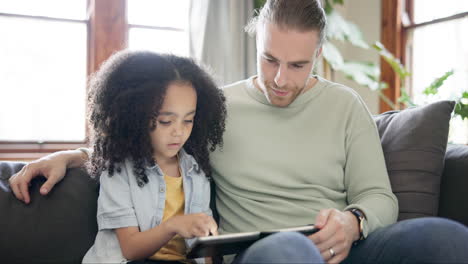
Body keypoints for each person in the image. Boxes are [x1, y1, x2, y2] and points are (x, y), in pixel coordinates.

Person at [9, 0, 468, 263]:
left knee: (446, 238)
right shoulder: (215, 107)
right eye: (270, 59)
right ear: (255, 41)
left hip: (345, 251)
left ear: (320, 55)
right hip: (267, 253)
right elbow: (150, 141)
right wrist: (71, 155)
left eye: (298, 65)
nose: (281, 79)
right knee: (288, 251)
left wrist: (353, 222)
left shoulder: (344, 106)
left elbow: (380, 198)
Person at [78, 50, 227, 263]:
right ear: (136, 116)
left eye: (188, 120)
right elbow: (130, 249)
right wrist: (174, 225)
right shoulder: (118, 171)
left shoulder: (196, 170)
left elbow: (205, 245)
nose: (179, 131)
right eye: (166, 121)